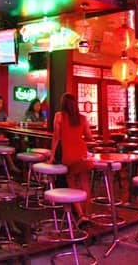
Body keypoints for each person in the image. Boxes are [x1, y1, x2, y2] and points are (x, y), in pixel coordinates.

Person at [49, 93, 94, 225]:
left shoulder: (59, 117)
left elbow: (56, 138)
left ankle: (80, 215)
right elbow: (89, 137)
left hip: (69, 155)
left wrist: (52, 157)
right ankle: (87, 214)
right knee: (85, 183)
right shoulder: (83, 118)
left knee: (72, 183)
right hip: (82, 154)